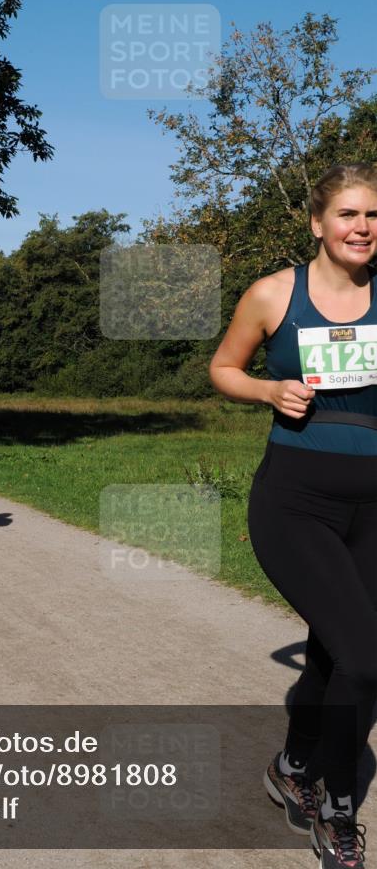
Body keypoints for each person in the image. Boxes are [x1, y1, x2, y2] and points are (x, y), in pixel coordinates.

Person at [210, 163, 376, 869]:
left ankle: (292, 766)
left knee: (334, 653)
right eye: (348, 214)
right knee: (368, 659)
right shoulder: (274, 294)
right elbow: (223, 368)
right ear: (317, 223)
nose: (362, 227)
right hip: (296, 503)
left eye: (372, 216)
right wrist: (269, 391)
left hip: (374, 507)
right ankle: (335, 804)